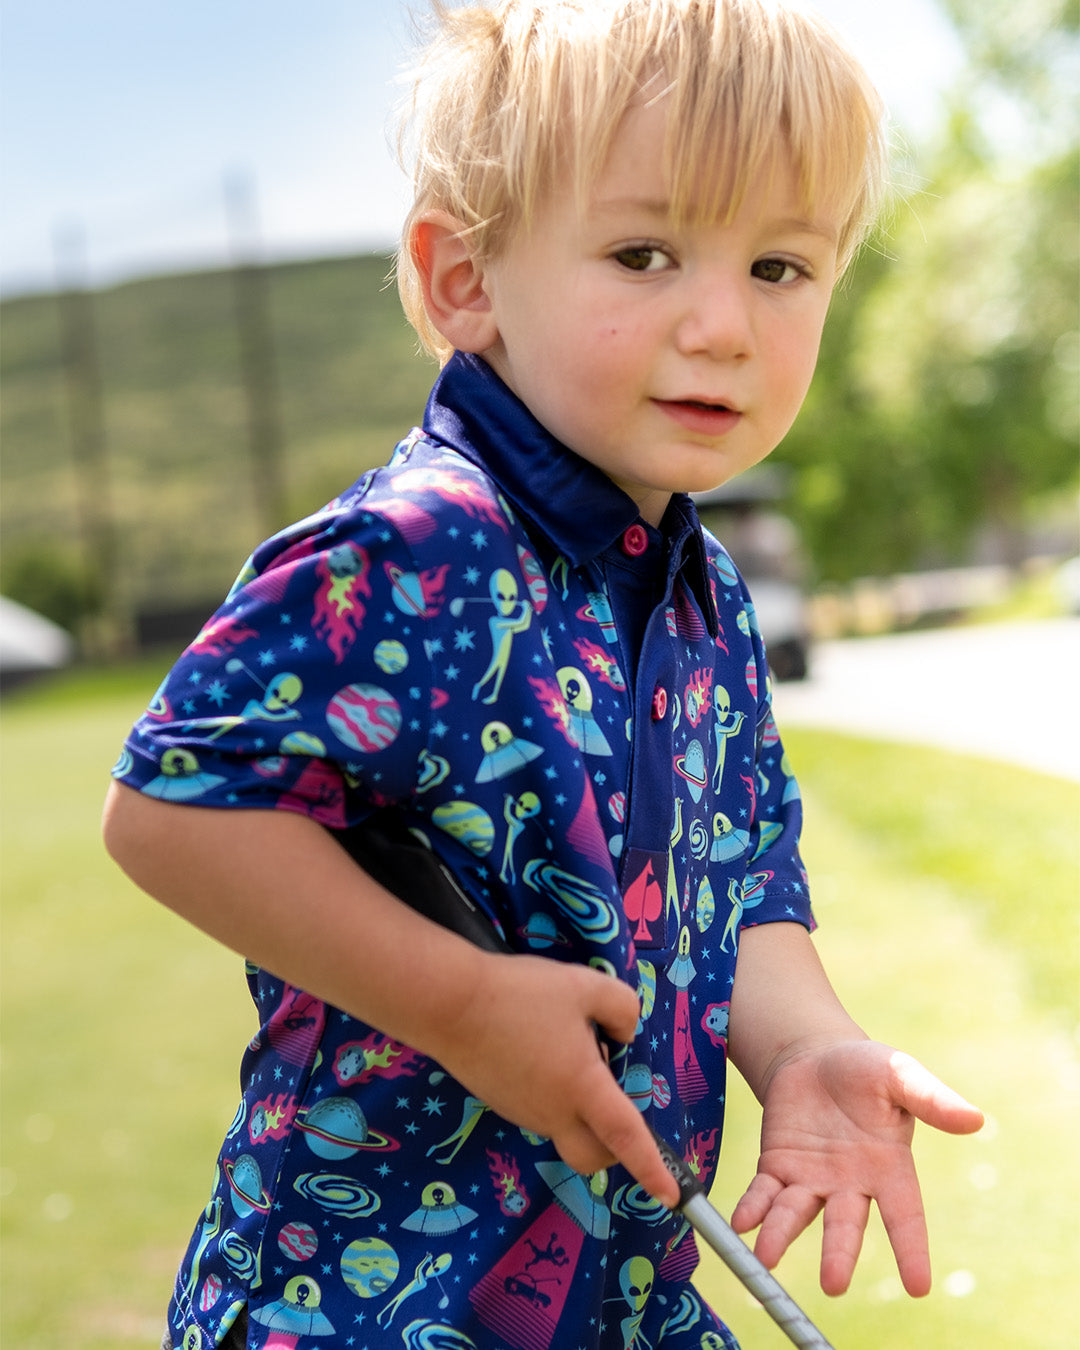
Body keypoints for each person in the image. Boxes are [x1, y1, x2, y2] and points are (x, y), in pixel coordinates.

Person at [103, 2, 984, 1347]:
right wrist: (463, 1006)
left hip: (620, 1299)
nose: (723, 324)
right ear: (464, 281)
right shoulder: (417, 549)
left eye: (779, 266)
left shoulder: (704, 593)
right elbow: (171, 810)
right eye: (644, 253)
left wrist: (807, 1048)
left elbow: (743, 878)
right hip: (362, 1304)